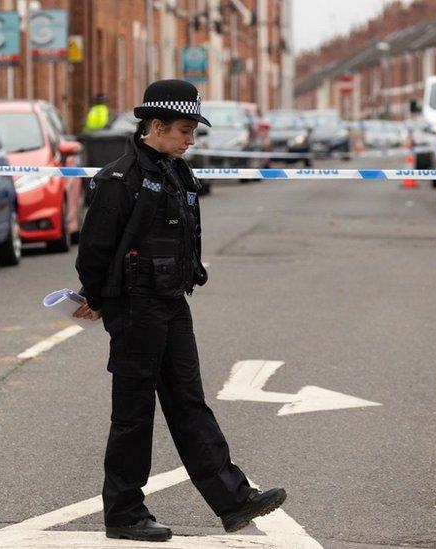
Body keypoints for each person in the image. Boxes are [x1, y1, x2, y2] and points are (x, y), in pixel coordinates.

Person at [73, 79, 286, 542]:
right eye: (185, 130)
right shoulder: (120, 178)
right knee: (132, 413)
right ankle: (124, 513)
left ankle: (233, 500)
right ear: (155, 125)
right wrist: (97, 296)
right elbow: (93, 249)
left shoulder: (176, 172)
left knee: (189, 403)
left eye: (193, 131)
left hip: (171, 303)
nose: (191, 140)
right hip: (135, 308)